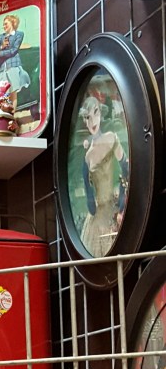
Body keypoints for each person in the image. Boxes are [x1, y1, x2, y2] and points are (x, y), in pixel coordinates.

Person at [78, 93, 129, 258]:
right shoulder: (87, 157)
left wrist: (121, 202)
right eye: (88, 117)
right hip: (98, 216)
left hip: (114, 207)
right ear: (84, 120)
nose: (92, 121)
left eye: (95, 113)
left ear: (100, 113)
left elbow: (126, 168)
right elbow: (89, 197)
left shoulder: (111, 138)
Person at [0, 14, 30, 111]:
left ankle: (13, 113)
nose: (4, 26)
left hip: (13, 65)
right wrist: (1, 47)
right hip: (3, 68)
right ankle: (7, 113)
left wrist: (0, 53)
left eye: (6, 24)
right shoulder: (1, 37)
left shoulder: (18, 34)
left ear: (13, 23)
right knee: (4, 92)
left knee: (13, 92)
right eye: (3, 24)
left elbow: (14, 50)